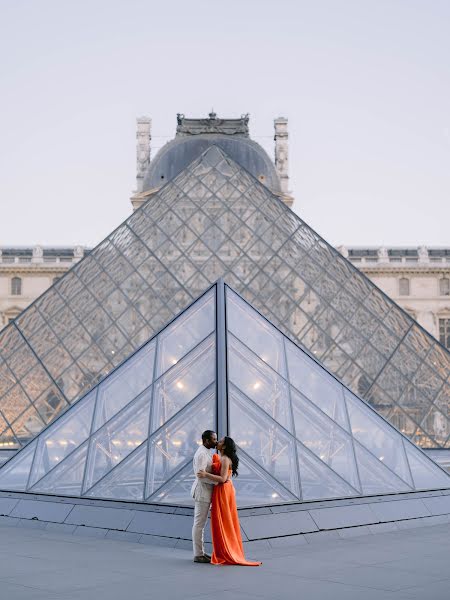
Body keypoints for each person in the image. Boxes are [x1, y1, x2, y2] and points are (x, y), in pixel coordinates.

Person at [198, 436, 261, 566]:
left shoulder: (225, 459)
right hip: (222, 490)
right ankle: (223, 550)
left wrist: (205, 474)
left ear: (225, 446)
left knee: (223, 520)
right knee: (221, 520)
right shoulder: (220, 457)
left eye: (220, 441)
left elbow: (222, 479)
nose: (217, 442)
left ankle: (226, 551)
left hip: (223, 490)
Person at [191, 429, 217, 563]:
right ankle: (198, 554)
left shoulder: (206, 452)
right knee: (199, 524)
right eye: (213, 439)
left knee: (200, 523)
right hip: (202, 492)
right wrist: (218, 481)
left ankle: (200, 552)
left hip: (205, 491)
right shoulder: (202, 454)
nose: (215, 441)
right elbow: (200, 476)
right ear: (207, 440)